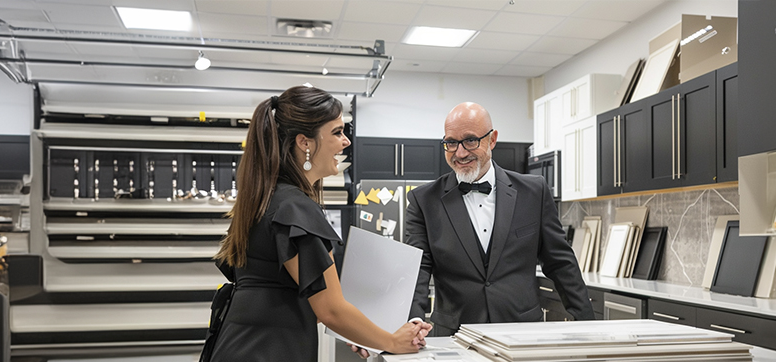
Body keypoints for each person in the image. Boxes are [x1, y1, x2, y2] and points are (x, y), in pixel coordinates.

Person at [209, 85, 430, 362]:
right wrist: (392, 342)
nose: (346, 141)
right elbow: (330, 310)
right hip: (268, 350)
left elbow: (296, 303)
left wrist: (365, 332)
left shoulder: (268, 199)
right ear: (305, 142)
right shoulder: (295, 208)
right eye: (337, 132)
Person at [405, 102, 596, 336]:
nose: (460, 153)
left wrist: (587, 324)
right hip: (454, 334)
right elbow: (417, 268)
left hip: (522, 333)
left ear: (492, 139)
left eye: (470, 140)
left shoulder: (534, 192)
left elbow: (560, 262)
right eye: (451, 143)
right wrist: (413, 321)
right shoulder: (423, 200)